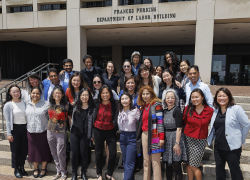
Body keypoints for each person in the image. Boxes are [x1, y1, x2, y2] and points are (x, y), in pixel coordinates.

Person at [207, 87, 250, 180]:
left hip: (232, 147)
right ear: (216, 98)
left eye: (224, 96)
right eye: (219, 96)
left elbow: (246, 124)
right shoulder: (215, 111)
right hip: (218, 146)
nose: (221, 98)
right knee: (219, 171)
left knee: (235, 171)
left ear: (229, 97)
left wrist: (241, 139)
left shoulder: (236, 109)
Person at [183, 88, 213, 180]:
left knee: (194, 165)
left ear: (202, 97)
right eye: (192, 97)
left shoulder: (209, 110)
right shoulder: (188, 108)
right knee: (188, 163)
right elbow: (184, 121)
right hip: (187, 138)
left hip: (200, 140)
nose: (194, 99)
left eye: (197, 97)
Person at [136, 85, 164, 180]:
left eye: (147, 93)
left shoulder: (157, 105)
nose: (145, 96)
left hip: (155, 135)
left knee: (155, 162)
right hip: (144, 134)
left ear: (151, 94)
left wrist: (161, 138)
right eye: (143, 94)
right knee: (146, 161)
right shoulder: (143, 107)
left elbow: (160, 122)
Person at [93, 85, 119, 180]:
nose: (105, 94)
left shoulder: (115, 103)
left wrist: (115, 128)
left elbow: (116, 116)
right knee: (99, 152)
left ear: (110, 94)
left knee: (112, 153)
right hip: (98, 130)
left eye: (107, 92)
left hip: (110, 130)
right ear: (100, 94)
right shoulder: (96, 102)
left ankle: (109, 173)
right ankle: (99, 173)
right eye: (103, 93)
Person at [162, 89, 188, 180]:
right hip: (167, 139)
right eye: (168, 97)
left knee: (177, 165)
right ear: (165, 99)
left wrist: (177, 144)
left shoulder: (177, 110)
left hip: (176, 138)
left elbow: (179, 128)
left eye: (172, 97)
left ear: (175, 99)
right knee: (168, 165)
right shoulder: (164, 111)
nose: (170, 99)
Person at [3, 85, 28, 178]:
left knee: (24, 150)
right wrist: (9, 133)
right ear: (10, 93)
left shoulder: (24, 103)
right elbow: (8, 121)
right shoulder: (8, 105)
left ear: (20, 92)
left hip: (25, 128)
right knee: (15, 150)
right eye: (13, 92)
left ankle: (22, 167)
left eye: (17, 91)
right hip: (15, 129)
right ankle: (16, 169)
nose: (16, 93)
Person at [25, 87, 50, 178]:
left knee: (43, 149)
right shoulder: (26, 104)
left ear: (41, 94)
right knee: (32, 150)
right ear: (30, 94)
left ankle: (43, 168)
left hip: (42, 130)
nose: (35, 95)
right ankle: (36, 169)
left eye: (37, 93)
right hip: (30, 131)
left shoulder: (46, 104)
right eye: (33, 93)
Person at [70, 88, 95, 180]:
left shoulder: (92, 108)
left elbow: (93, 123)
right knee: (74, 153)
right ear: (79, 96)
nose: (84, 97)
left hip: (85, 133)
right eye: (82, 95)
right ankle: (74, 173)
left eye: (86, 95)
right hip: (74, 132)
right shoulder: (75, 106)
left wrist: (92, 135)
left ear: (89, 96)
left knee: (84, 153)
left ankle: (83, 172)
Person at [47, 85, 69, 180]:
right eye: (55, 93)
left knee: (61, 152)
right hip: (50, 131)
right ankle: (58, 171)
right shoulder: (49, 105)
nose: (57, 94)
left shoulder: (66, 105)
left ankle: (64, 172)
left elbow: (70, 118)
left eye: (59, 93)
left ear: (62, 95)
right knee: (53, 152)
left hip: (61, 131)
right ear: (52, 95)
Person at [118, 92, 140, 180]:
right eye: (122, 99)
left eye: (126, 98)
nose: (124, 101)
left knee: (129, 161)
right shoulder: (120, 111)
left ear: (130, 100)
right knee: (125, 160)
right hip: (122, 136)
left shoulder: (135, 111)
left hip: (132, 137)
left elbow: (140, 124)